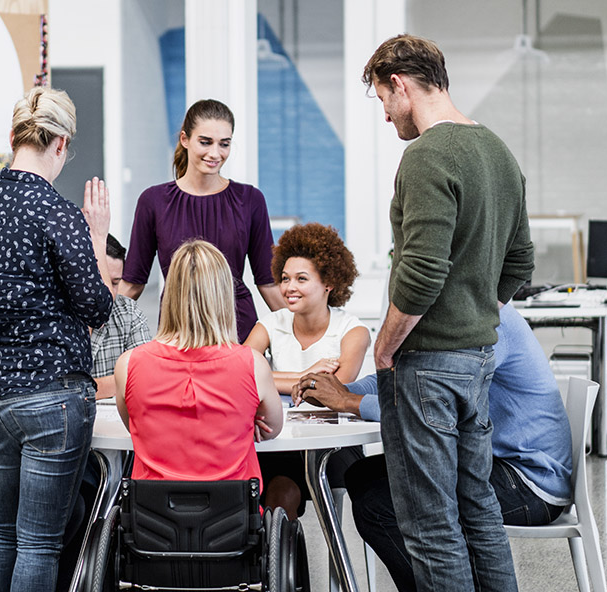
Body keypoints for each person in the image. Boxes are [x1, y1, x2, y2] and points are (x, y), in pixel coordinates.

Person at [363, 35, 534, 590]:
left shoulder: (426, 156)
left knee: (431, 523)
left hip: (429, 365)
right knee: (477, 507)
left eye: (383, 102)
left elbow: (420, 272)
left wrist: (384, 346)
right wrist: (478, 307)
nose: (387, 117)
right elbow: (521, 260)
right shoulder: (497, 151)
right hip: (477, 358)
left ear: (400, 84)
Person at [0, 86, 113, 592]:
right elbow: (98, 307)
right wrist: (98, 237)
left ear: (13, 137)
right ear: (60, 144)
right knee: (39, 541)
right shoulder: (58, 213)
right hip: (52, 399)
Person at [295, 303, 572, 592]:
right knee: (362, 474)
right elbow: (401, 380)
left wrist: (347, 402)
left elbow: (434, 407)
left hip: (528, 482)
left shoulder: (488, 323)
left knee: (379, 505)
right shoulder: (456, 315)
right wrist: (338, 390)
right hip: (494, 462)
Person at [114, 240, 283, 485]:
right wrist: (243, 419)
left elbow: (135, 426)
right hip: (233, 515)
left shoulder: (129, 364)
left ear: (170, 293)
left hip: (151, 515)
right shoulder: (253, 364)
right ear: (224, 296)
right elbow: (271, 429)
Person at [121, 99, 285, 342]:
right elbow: (133, 283)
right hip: (178, 329)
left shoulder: (250, 199)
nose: (215, 153)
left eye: (224, 144)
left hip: (237, 329)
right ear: (185, 139)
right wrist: (99, 327)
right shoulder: (153, 201)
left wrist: (300, 333)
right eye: (205, 142)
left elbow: (268, 283)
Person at [244, 222, 370, 519]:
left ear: (328, 283)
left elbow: (334, 391)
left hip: (335, 443)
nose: (289, 288)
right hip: (282, 438)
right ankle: (274, 560)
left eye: (301, 279)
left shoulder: (352, 331)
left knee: (285, 483)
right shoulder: (271, 324)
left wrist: (271, 381)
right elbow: (241, 372)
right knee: (278, 490)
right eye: (285, 279)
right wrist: (308, 376)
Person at [91, 234, 152, 399]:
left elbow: (146, 377)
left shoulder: (129, 312)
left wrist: (81, 390)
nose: (110, 291)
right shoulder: (56, 313)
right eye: (102, 280)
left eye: (116, 283)